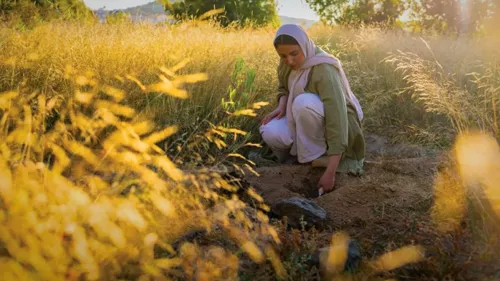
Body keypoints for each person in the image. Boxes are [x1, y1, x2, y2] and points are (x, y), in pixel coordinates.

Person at [259, 24, 366, 196]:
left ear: (304, 45)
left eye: (294, 54)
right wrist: (280, 106)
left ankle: (317, 157)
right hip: (299, 116)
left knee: (303, 102)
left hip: (331, 121)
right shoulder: (287, 62)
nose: (290, 61)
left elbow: (337, 117)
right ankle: (299, 156)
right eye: (283, 56)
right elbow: (283, 87)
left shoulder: (323, 68)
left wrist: (330, 172)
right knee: (269, 130)